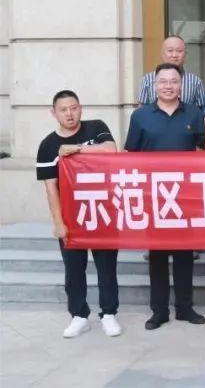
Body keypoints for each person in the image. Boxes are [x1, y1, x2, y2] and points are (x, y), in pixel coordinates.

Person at [125, 63, 205, 330]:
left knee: (184, 255)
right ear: (155, 85)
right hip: (154, 196)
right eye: (163, 81)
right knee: (157, 256)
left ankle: (185, 308)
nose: (168, 86)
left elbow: (202, 153)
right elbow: (131, 156)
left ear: (181, 84)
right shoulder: (140, 116)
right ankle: (158, 311)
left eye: (173, 81)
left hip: (185, 196)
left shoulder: (194, 113)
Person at [36, 90, 121, 338]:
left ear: (80, 108)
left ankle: (109, 313)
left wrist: (77, 149)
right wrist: (58, 223)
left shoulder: (96, 128)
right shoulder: (47, 146)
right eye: (63, 110)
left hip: (103, 212)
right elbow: (51, 188)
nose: (70, 114)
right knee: (74, 269)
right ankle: (79, 315)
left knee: (107, 267)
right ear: (54, 113)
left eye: (73, 108)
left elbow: (111, 149)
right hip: (72, 217)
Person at [136, 35, 205, 108]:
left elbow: (201, 110)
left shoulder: (195, 82)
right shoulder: (147, 80)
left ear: (185, 55)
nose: (174, 55)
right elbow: (141, 109)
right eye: (170, 50)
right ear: (162, 54)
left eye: (179, 51)